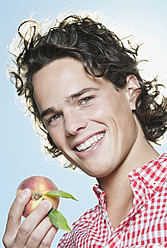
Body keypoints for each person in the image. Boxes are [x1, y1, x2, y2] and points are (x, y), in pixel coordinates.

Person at [3, 14, 167, 247]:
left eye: (85, 99)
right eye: (55, 117)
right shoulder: (72, 240)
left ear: (131, 91)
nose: (71, 126)